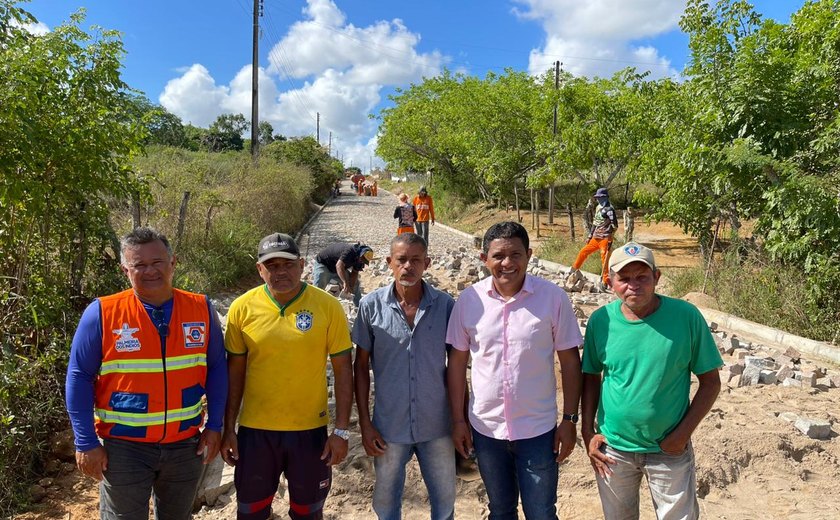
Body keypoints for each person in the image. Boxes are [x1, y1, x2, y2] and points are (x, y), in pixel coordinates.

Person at [65, 227, 227, 520]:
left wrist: (215, 425)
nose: (149, 271)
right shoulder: (102, 313)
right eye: (139, 264)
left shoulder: (201, 308)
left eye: (157, 262)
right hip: (124, 449)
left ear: (173, 262)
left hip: (185, 444)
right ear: (125, 269)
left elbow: (216, 368)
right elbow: (78, 377)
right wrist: (85, 441)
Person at [446, 221, 583, 519]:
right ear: (484, 259)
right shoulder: (469, 301)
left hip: (538, 431)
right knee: (500, 510)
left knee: (542, 512)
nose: (507, 263)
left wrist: (570, 419)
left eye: (515, 255)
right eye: (498, 256)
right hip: (486, 430)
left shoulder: (553, 298)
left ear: (529, 255)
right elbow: (456, 365)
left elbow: (570, 362)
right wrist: (458, 420)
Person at [581, 243, 723, 520]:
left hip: (668, 448)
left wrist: (681, 435)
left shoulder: (686, 317)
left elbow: (711, 382)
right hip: (614, 449)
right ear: (610, 282)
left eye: (642, 277)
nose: (633, 285)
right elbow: (591, 377)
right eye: (624, 278)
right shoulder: (601, 321)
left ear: (656, 278)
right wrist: (587, 431)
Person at [221, 232, 353, 520]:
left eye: (288, 264)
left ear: (302, 264)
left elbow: (344, 370)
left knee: (308, 513)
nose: (281, 272)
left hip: (309, 434)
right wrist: (228, 427)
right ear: (260, 270)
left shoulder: (327, 307)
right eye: (272, 266)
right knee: (250, 512)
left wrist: (341, 431)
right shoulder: (241, 308)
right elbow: (235, 373)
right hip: (255, 434)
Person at [353, 233, 456, 520]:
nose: (408, 266)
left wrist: (460, 420)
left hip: (437, 425)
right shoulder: (370, 307)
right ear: (389, 262)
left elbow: (458, 367)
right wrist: (365, 423)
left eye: (415, 260)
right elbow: (360, 367)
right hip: (388, 427)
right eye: (401, 260)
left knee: (445, 505)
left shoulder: (446, 306)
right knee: (386, 506)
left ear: (427, 263)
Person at [569, 187, 618, 288]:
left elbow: (615, 225)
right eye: (597, 198)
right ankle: (573, 269)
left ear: (605, 197)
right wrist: (590, 235)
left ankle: (605, 281)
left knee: (605, 259)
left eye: (600, 197)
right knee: (583, 252)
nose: (598, 199)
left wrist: (611, 235)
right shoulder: (598, 208)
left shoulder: (610, 210)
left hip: (605, 238)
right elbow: (595, 223)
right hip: (595, 237)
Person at [312, 241, 373, 306]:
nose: (362, 261)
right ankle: (313, 306)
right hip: (324, 265)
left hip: (338, 269)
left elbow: (354, 273)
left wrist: (351, 287)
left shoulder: (360, 260)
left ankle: (359, 307)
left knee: (355, 284)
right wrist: (345, 282)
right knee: (319, 286)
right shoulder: (349, 251)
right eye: (362, 259)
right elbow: (339, 265)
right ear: (360, 253)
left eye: (364, 260)